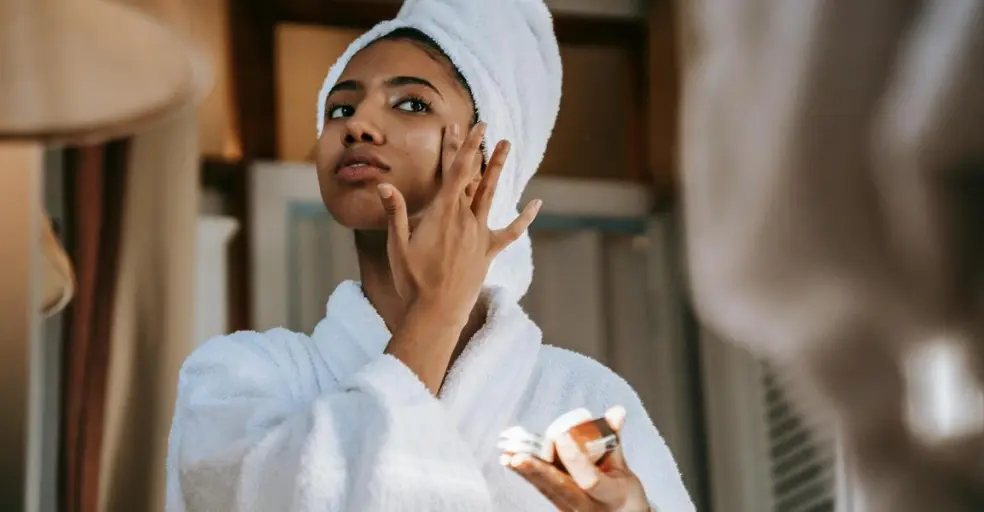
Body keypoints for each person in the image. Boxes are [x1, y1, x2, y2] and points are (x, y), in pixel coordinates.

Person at [166, 0, 694, 510]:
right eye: (341, 107)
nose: (357, 124)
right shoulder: (239, 377)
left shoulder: (581, 400)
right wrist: (437, 312)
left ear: (487, 160)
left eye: (412, 103)